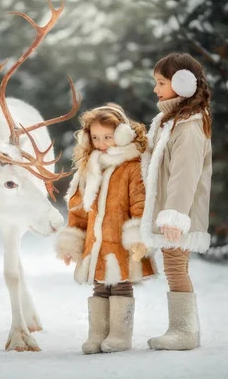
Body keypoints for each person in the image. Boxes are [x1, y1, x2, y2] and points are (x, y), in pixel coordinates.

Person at [55, 103, 156, 354]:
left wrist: (138, 237)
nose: (101, 143)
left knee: (121, 284)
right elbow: (78, 209)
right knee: (99, 285)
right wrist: (71, 244)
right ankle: (97, 334)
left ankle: (120, 335)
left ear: (122, 134)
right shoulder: (89, 168)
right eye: (96, 137)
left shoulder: (132, 166)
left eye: (108, 137)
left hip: (121, 242)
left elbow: (140, 203)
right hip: (95, 243)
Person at [131, 52, 213, 351]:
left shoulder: (189, 124)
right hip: (170, 208)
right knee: (173, 266)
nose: (156, 89)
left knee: (176, 267)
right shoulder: (169, 120)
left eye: (161, 82)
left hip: (179, 212)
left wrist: (174, 214)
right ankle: (181, 329)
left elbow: (185, 173)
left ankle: (185, 332)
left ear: (182, 83)